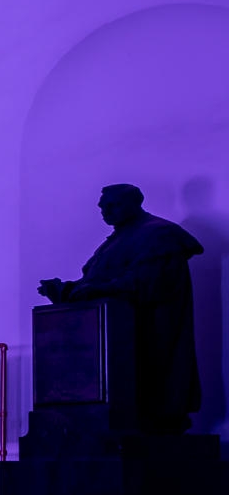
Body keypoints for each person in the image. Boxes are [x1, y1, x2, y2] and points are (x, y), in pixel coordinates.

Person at [39, 184, 205, 434]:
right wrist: (65, 290)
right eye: (102, 207)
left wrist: (94, 290)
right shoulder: (117, 238)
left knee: (151, 392)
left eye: (112, 205)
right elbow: (97, 281)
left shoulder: (159, 234)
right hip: (114, 336)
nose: (105, 211)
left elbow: (146, 282)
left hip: (147, 333)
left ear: (134, 203)